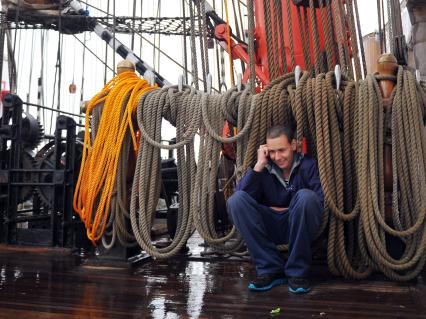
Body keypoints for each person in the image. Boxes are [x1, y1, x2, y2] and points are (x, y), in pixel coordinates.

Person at [227, 125, 324, 294]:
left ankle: (297, 273)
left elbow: (318, 203)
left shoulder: (309, 166)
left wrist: (293, 207)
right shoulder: (263, 171)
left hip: (298, 225)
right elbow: (240, 198)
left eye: (282, 150)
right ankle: (270, 268)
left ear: (293, 145)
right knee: (236, 201)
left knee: (306, 197)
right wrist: (259, 165)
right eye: (272, 152)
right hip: (269, 225)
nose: (277, 157)